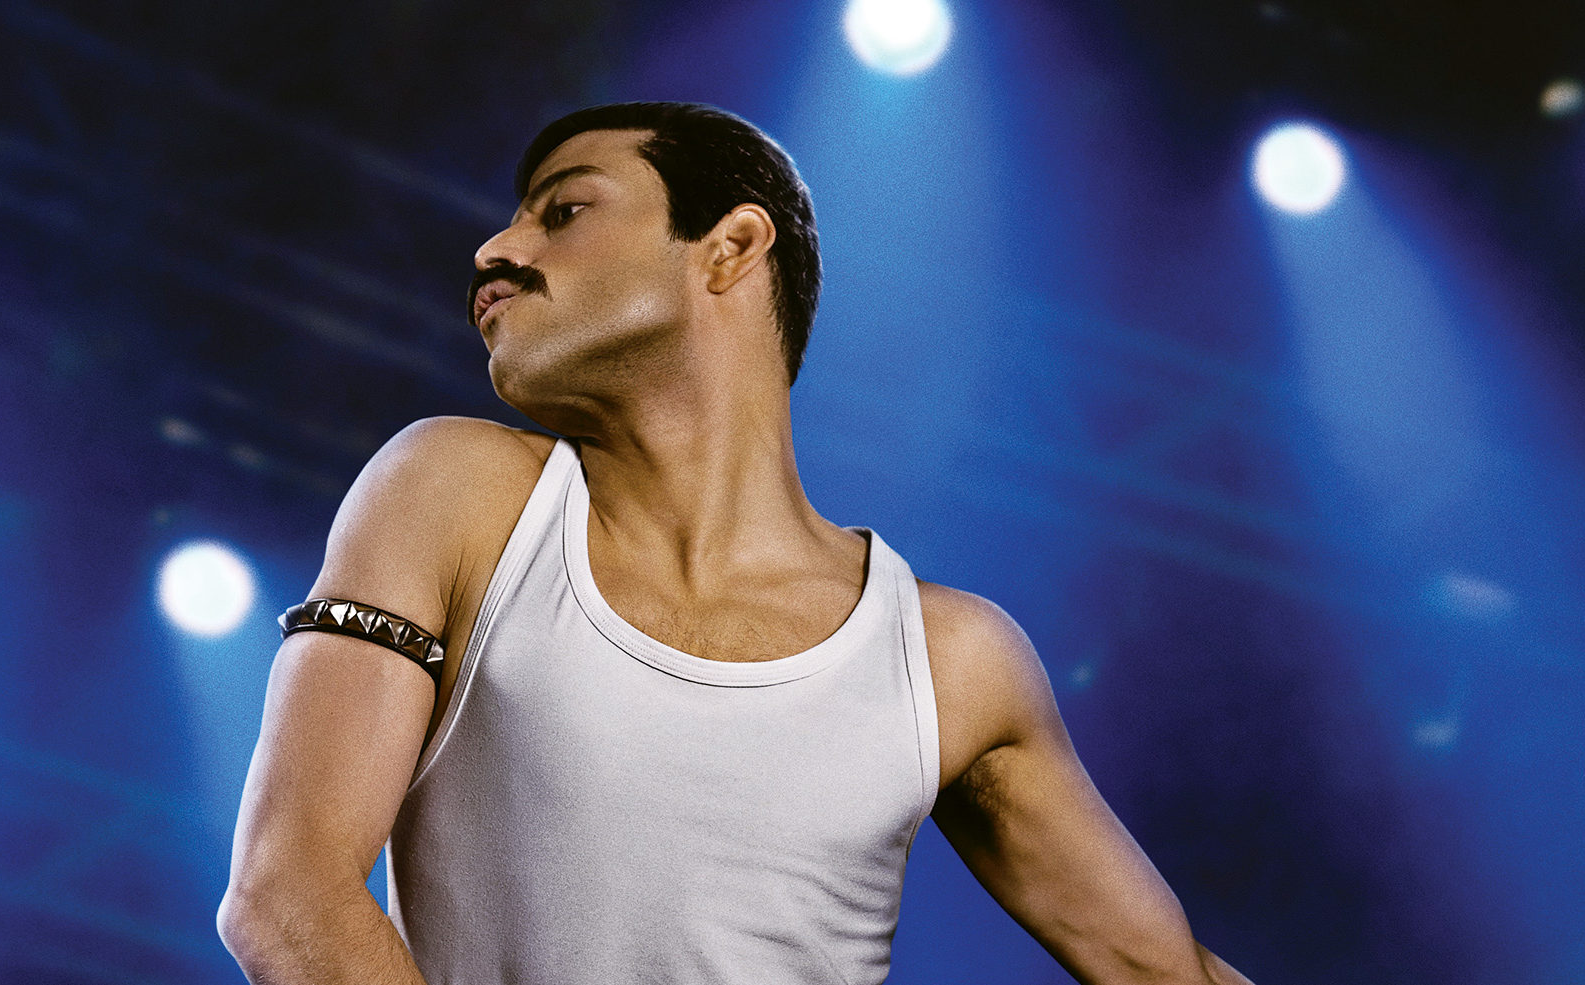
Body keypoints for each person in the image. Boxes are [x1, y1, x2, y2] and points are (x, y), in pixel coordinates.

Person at [216, 101, 1256, 985]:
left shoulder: (951, 657)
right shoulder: (456, 490)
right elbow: (285, 893)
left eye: (563, 209)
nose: (495, 248)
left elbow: (1166, 973)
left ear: (730, 247)